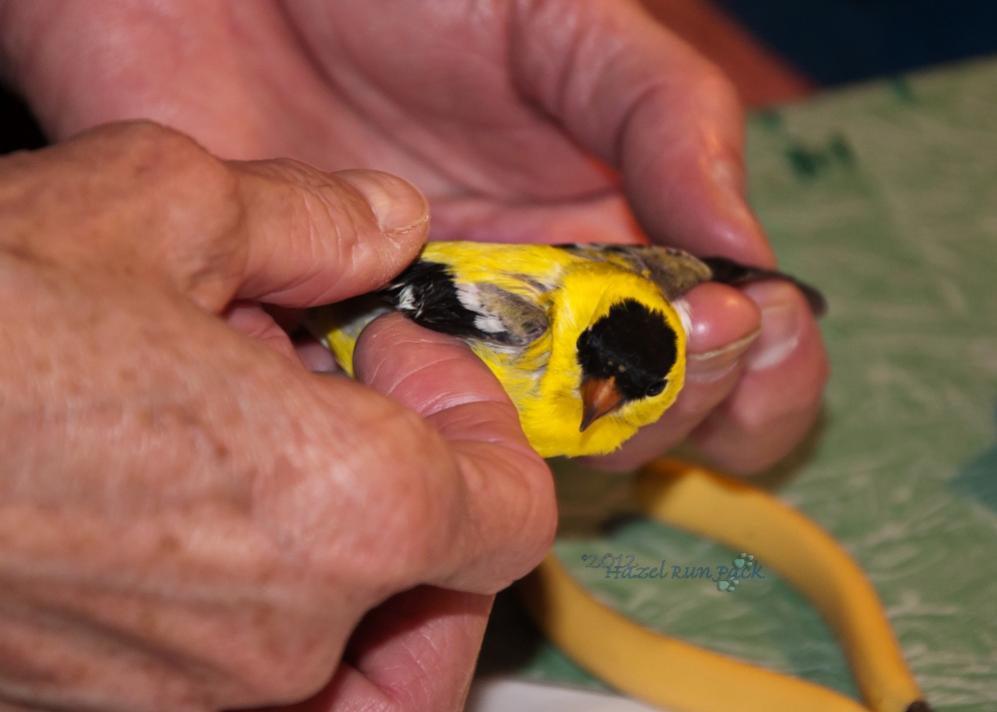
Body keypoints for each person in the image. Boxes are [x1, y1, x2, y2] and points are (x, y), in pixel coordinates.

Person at [0, 2, 827, 710]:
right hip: (367, 290)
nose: (599, 398)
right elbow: (395, 295)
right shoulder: (526, 324)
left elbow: (692, 281)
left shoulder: (637, 326)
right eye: (596, 374)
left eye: (620, 392)